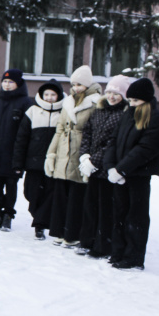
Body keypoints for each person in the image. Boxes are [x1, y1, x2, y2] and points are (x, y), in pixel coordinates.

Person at [103, 77, 159, 271]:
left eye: (136, 101)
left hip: (137, 176)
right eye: (130, 101)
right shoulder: (127, 115)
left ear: (146, 101)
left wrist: (122, 169)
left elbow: (146, 149)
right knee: (119, 214)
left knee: (135, 217)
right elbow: (113, 141)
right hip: (119, 174)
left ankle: (134, 257)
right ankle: (119, 252)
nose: (131, 104)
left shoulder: (156, 119)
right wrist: (110, 166)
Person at [45, 65, 102, 247]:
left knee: (78, 196)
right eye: (74, 84)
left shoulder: (96, 102)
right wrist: (51, 153)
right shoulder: (68, 101)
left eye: (79, 84)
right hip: (64, 150)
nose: (76, 88)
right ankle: (60, 230)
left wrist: (90, 157)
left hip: (81, 149)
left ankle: (73, 233)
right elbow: (59, 129)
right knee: (61, 193)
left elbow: (95, 131)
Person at [76, 75, 131, 259]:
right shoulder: (98, 111)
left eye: (116, 93)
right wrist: (84, 156)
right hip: (92, 167)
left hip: (108, 167)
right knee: (89, 206)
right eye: (109, 92)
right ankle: (86, 240)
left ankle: (101, 245)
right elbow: (88, 133)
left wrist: (95, 160)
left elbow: (112, 143)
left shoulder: (124, 114)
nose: (112, 97)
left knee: (105, 209)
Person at [12, 79, 65, 240]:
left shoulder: (64, 112)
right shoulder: (32, 111)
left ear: (58, 96)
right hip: (33, 163)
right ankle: (38, 216)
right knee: (31, 193)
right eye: (46, 94)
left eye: (53, 94)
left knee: (49, 194)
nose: (49, 97)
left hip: (53, 164)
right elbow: (21, 139)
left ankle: (39, 224)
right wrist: (18, 163)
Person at [0, 69, 34, 231]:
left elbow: (27, 131)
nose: (7, 85)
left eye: (11, 82)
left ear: (18, 84)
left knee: (11, 185)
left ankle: (8, 214)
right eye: (5, 81)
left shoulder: (26, 103)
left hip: (14, 153)